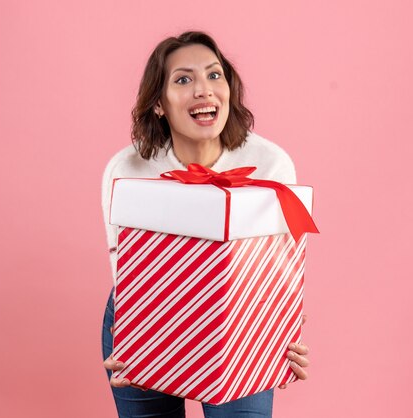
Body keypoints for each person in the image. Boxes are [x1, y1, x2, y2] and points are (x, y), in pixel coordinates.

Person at [101, 31, 310, 418]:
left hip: (242, 321)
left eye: (215, 76)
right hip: (148, 317)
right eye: (183, 79)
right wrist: (133, 338)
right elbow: (125, 264)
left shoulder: (271, 162)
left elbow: (279, 267)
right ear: (159, 104)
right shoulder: (126, 169)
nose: (204, 90)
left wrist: (283, 332)